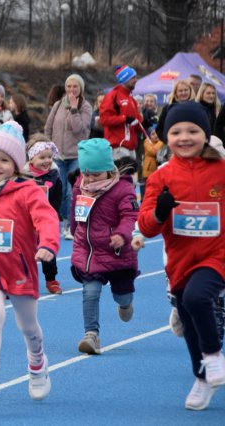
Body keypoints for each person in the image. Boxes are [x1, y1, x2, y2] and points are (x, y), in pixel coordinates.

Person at [138, 102, 225, 411]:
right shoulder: (161, 177)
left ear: (205, 134)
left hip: (217, 254)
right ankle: (201, 378)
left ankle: (214, 356)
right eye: (176, 132)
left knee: (198, 299)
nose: (184, 137)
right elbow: (146, 226)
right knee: (188, 320)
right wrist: (160, 212)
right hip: (179, 260)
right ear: (166, 136)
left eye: (193, 131)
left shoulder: (221, 170)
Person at [0, 121, 59, 400]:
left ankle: (37, 363)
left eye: (4, 160)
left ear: (16, 163)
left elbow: (47, 219)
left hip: (20, 267)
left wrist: (47, 245)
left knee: (27, 326)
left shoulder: (28, 191)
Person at [69, 138, 139, 355]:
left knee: (123, 295)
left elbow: (130, 215)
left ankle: (125, 304)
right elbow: (74, 212)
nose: (89, 179)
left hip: (117, 251)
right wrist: (74, 231)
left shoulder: (122, 189)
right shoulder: (80, 186)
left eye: (95, 174)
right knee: (90, 291)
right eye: (86, 173)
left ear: (109, 170)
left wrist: (122, 234)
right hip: (89, 251)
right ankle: (91, 335)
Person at [44, 73, 92, 240]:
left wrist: (73, 109)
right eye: (69, 86)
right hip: (58, 156)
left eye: (75, 86)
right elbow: (48, 127)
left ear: (81, 89)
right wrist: (49, 146)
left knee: (72, 192)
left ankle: (70, 225)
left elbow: (79, 129)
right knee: (60, 190)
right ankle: (64, 219)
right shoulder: (57, 105)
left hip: (76, 155)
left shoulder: (85, 107)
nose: (71, 90)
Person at [25, 135, 63, 294]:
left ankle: (51, 279)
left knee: (48, 249)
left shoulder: (54, 177)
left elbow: (57, 199)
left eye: (49, 157)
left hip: (46, 220)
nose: (47, 161)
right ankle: (22, 279)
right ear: (31, 159)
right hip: (26, 221)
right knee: (24, 251)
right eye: (42, 157)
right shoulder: (23, 177)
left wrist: (52, 216)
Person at [99, 65, 143, 158]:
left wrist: (143, 123)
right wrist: (124, 119)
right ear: (124, 79)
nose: (136, 80)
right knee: (122, 173)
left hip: (131, 147)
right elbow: (104, 119)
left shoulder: (131, 99)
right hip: (118, 147)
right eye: (133, 78)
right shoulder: (112, 96)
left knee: (131, 173)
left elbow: (137, 121)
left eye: (136, 77)